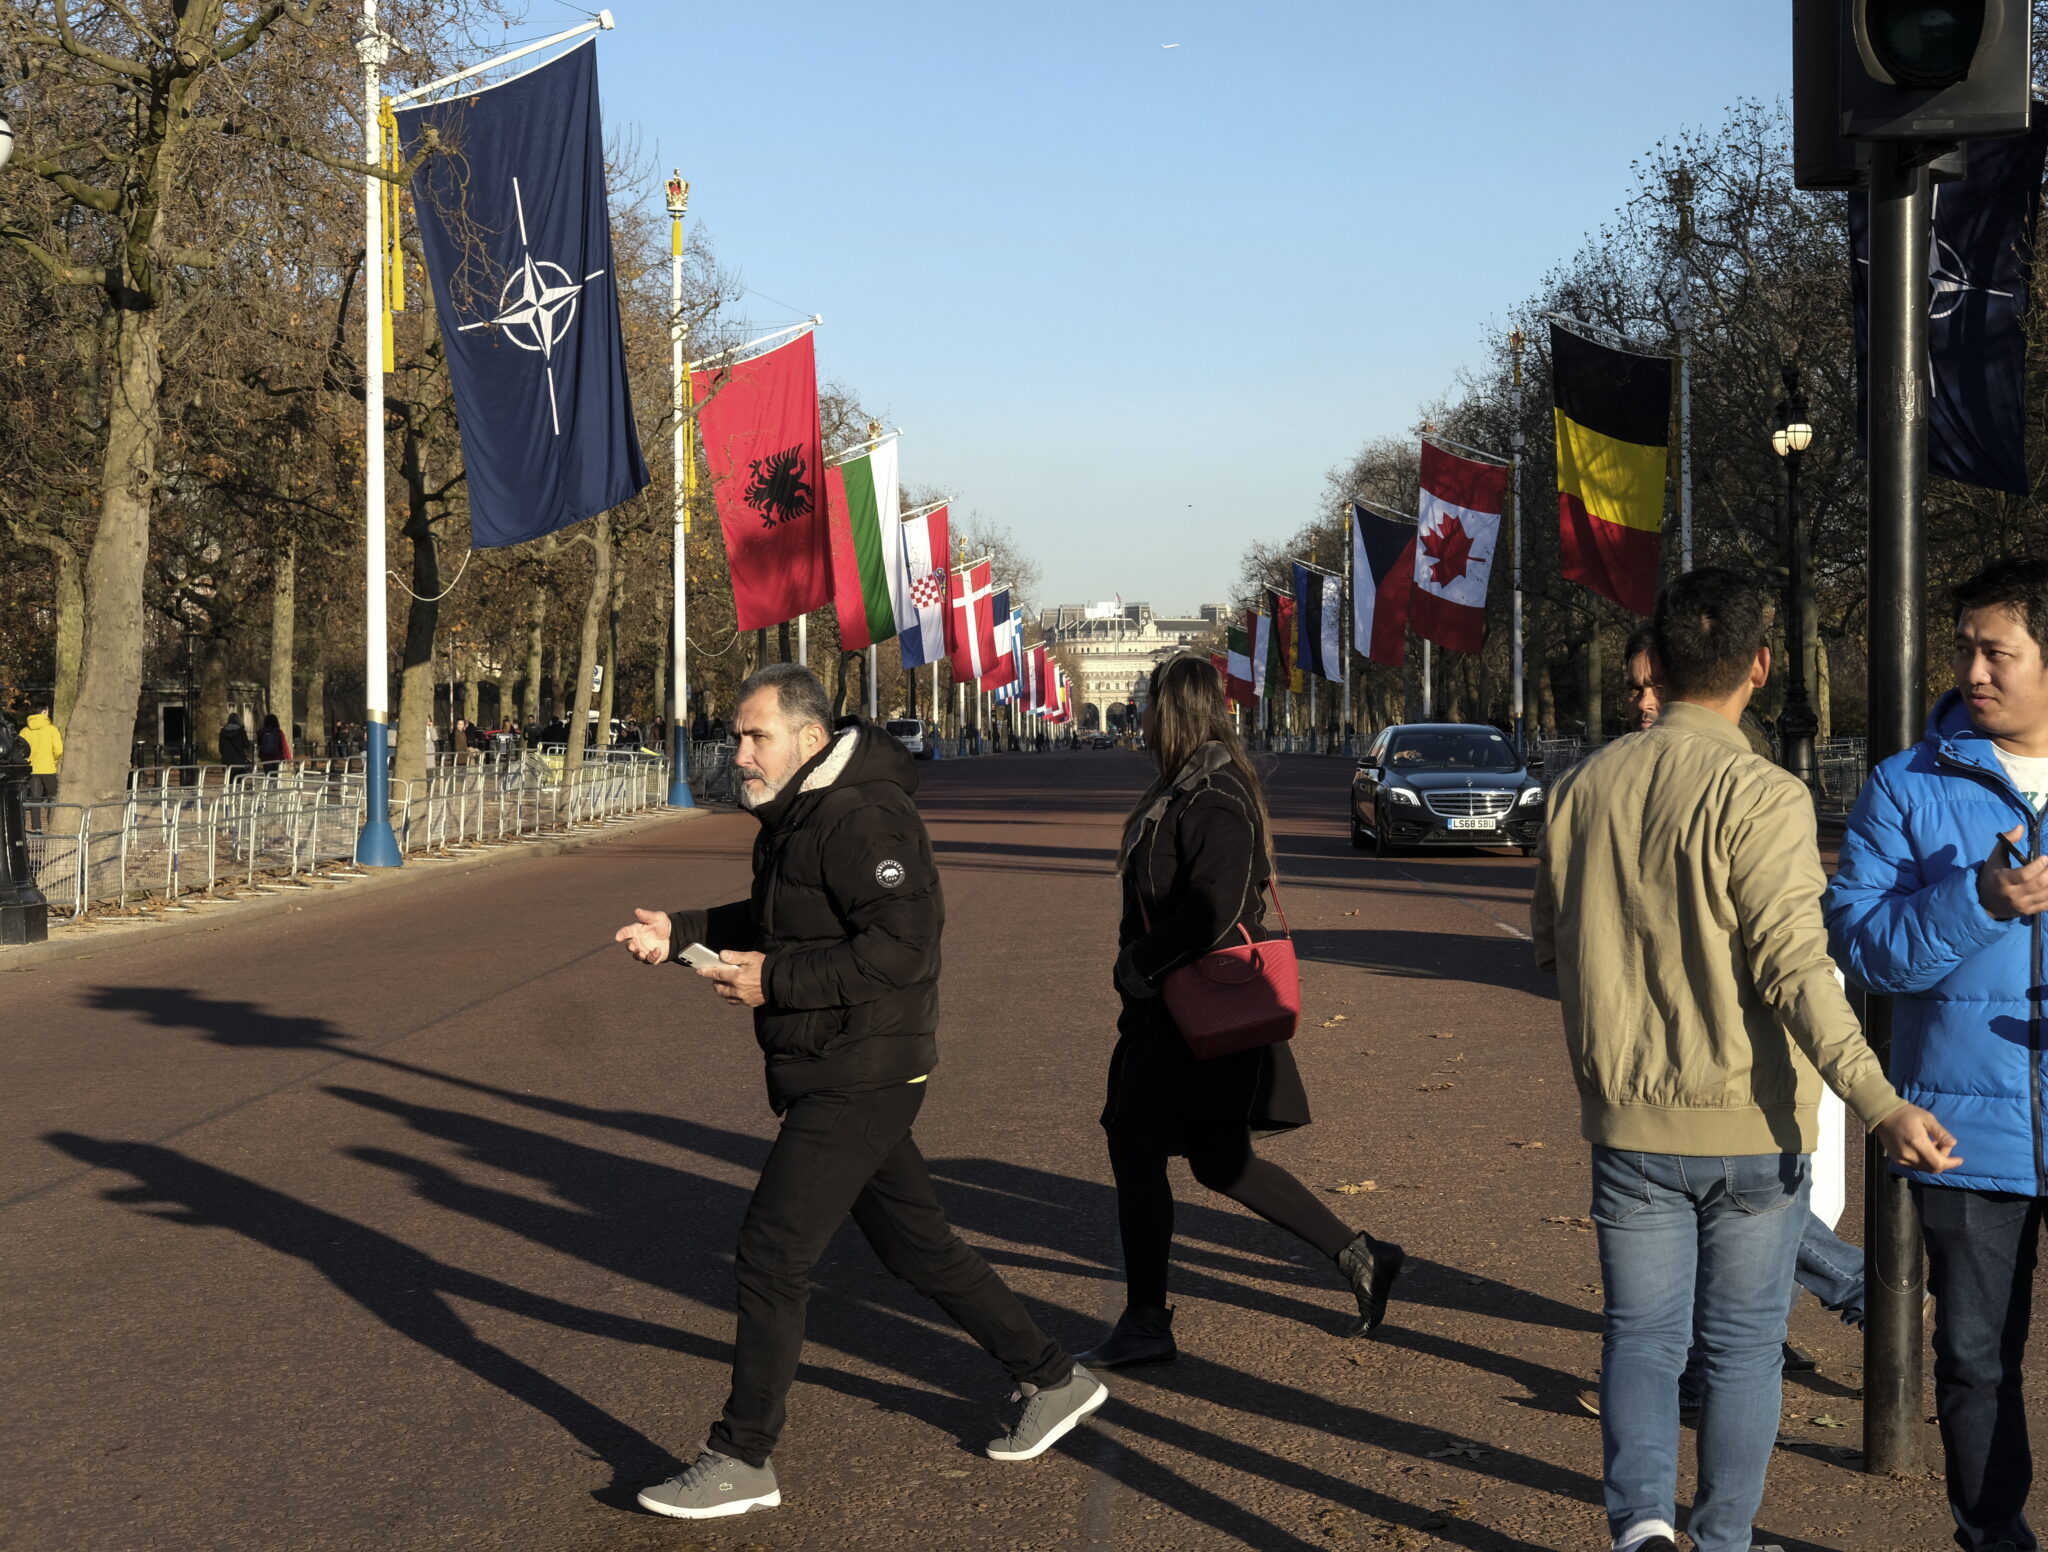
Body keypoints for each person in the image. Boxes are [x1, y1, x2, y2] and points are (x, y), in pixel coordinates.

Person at [613, 664, 1103, 1521]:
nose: (741, 752)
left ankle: (741, 1457)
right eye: (737, 735)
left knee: (772, 1251)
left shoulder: (862, 813)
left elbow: (905, 948)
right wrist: (682, 930)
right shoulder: (799, 813)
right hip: (834, 1060)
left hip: (864, 1066)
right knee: (918, 1247)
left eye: (755, 735)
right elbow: (781, 917)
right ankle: (1053, 1377)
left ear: (808, 740)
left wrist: (780, 983)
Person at [1534, 568, 1958, 1552]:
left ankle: (1639, 1528)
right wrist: (1875, 1101)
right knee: (1737, 1352)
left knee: (1639, 1341)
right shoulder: (1760, 794)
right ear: (1760, 667)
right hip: (1745, 1117)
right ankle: (1719, 1537)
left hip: (1626, 1114)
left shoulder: (1579, 789)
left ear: (1660, 661)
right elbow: (1797, 970)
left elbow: (1551, 950)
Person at [1080, 653, 1402, 1370]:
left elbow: (1215, 909)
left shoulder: (1214, 796)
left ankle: (1145, 1321)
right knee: (1219, 1161)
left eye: (1151, 702)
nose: (1142, 714)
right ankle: (1362, 1256)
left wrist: (1142, 962)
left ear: (1180, 711)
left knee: (1137, 1145)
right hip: (1177, 1009)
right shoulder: (1187, 788)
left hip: (1197, 1012)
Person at [1827, 554, 2048, 1552]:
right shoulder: (1903, 785)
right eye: (1961, 646)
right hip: (1964, 1125)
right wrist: (1976, 900)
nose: (1969, 669)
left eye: (1993, 650)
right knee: (1971, 1357)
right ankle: (1992, 1533)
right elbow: (1861, 948)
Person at [16, 704, 62, 831]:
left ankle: (37, 829)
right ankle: (52, 825)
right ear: (43, 712)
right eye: (47, 710)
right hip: (48, 769)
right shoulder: (52, 729)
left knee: (35, 798)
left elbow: (19, 750)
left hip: (31, 769)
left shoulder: (25, 731)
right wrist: (53, 759)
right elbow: (58, 750)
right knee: (53, 797)